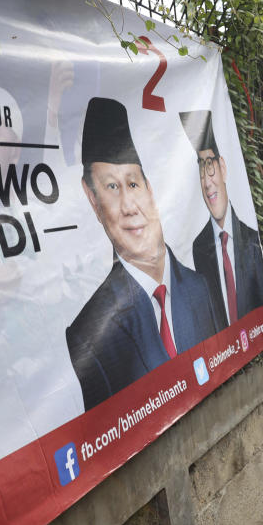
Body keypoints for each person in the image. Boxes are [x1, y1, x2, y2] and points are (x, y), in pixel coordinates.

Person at [66, 98, 221, 411]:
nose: (128, 206)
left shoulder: (200, 288)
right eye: (111, 187)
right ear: (93, 202)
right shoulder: (88, 335)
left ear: (151, 190)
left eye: (133, 184)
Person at [178, 110, 263, 328]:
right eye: (200, 169)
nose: (207, 182)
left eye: (209, 165)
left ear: (223, 168)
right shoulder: (199, 246)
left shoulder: (251, 238)